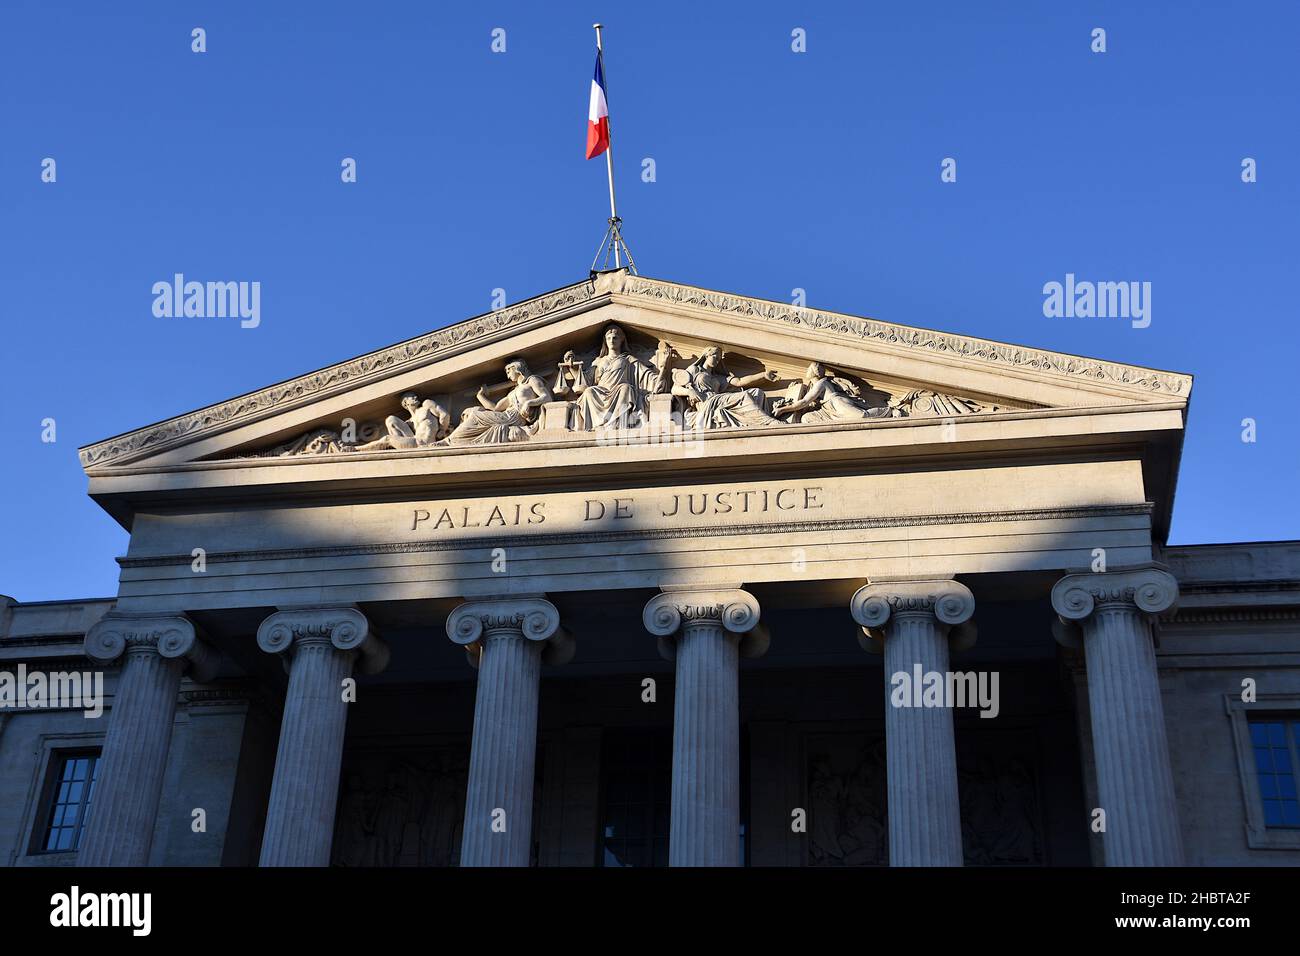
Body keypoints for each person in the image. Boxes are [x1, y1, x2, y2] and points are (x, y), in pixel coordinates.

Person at [569, 324, 672, 431]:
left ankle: (616, 423)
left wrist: (663, 369)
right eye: (608, 338)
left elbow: (646, 375)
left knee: (626, 388)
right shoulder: (598, 361)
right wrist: (571, 367)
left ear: (622, 340)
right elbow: (584, 381)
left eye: (615, 337)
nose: (612, 340)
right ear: (605, 341)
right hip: (601, 391)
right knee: (589, 392)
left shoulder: (628, 359)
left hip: (619, 390)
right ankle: (597, 425)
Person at [672, 345, 783, 430]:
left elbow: (740, 382)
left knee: (757, 393)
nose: (717, 361)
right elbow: (674, 389)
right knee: (744, 396)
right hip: (707, 402)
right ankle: (767, 422)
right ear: (706, 355)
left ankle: (757, 422)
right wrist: (689, 392)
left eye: (719, 359)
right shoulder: (694, 370)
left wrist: (763, 375)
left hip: (717, 399)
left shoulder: (717, 378)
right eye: (715, 357)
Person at [445, 357, 552, 445]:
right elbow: (495, 408)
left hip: (515, 418)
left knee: (476, 416)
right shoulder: (512, 392)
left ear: (517, 368)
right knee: (474, 413)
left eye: (509, 371)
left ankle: (448, 441)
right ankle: (454, 440)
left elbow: (546, 397)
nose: (507, 375)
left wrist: (529, 403)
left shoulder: (532, 380)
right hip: (506, 416)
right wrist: (480, 396)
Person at [775, 362, 898, 423]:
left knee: (861, 416)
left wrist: (783, 409)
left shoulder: (821, 383)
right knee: (806, 419)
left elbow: (804, 402)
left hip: (837, 403)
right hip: (829, 410)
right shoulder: (813, 386)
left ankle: (890, 411)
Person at [351, 392, 450, 451]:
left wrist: (442, 430)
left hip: (425, 443)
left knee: (387, 439)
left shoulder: (426, 405)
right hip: (415, 442)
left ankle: (356, 450)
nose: (415, 397)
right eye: (411, 397)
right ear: (406, 403)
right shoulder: (409, 423)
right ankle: (398, 450)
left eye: (415, 396)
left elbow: (444, 415)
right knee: (390, 419)